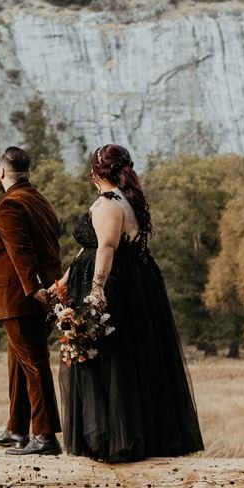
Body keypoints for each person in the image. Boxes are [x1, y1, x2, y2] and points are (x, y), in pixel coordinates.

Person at [45, 141, 204, 462]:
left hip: (113, 286)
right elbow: (88, 249)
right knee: (127, 360)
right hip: (133, 284)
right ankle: (127, 436)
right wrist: (62, 282)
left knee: (108, 360)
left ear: (94, 172)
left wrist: (97, 289)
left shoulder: (108, 204)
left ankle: (110, 440)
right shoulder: (126, 201)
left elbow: (105, 247)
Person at [0, 145, 63, 455]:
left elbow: (21, 251)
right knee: (19, 362)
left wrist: (32, 289)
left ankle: (45, 437)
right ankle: (16, 431)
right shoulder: (40, 200)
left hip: (21, 297)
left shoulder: (10, 205)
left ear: (2, 172)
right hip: (46, 294)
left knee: (34, 364)